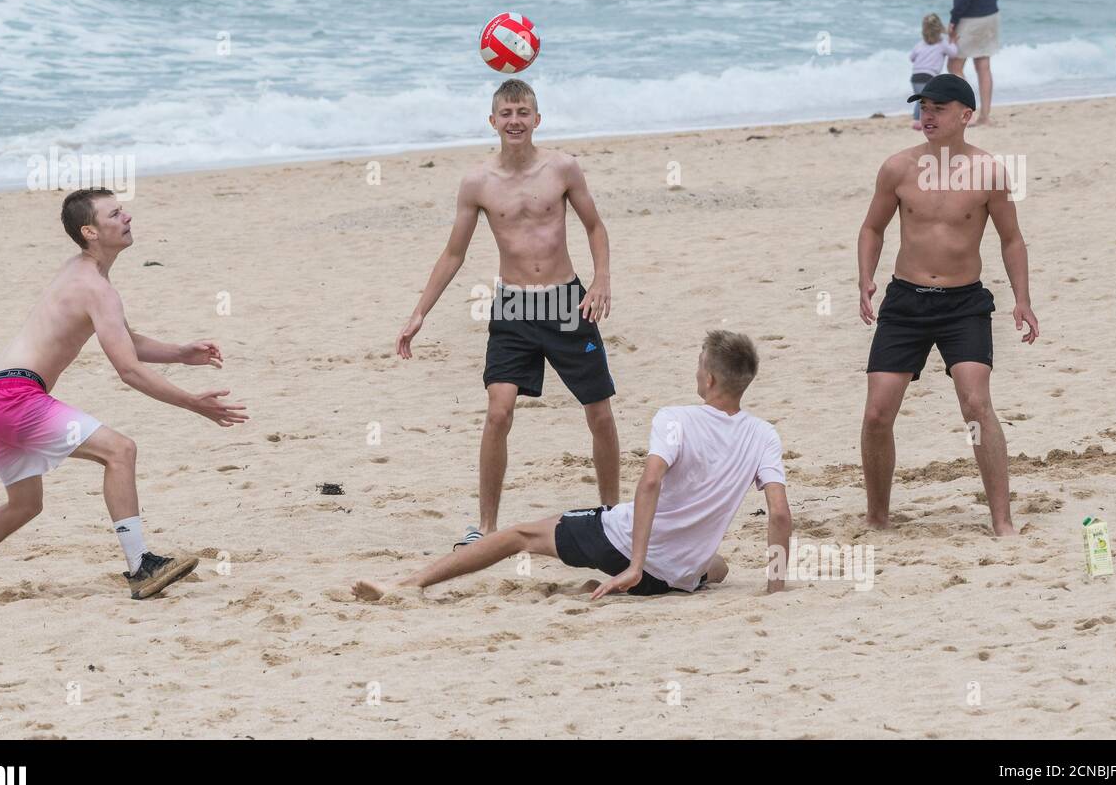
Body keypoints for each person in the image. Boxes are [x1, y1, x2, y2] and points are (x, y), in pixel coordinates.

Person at [0, 187, 249, 603]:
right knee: (120, 451)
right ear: (90, 231)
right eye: (115, 214)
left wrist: (181, 354)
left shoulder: (80, 273)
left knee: (24, 505)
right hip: (15, 397)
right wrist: (194, 403)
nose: (127, 217)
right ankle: (141, 566)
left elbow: (124, 340)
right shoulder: (96, 288)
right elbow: (128, 369)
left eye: (123, 210)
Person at [354, 331, 789, 601]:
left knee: (518, 535)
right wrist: (775, 588)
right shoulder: (764, 435)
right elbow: (781, 515)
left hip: (623, 545)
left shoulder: (674, 418)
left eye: (700, 367)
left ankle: (408, 584)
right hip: (677, 577)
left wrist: (635, 564)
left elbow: (651, 483)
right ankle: (631, 582)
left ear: (709, 379)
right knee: (719, 566)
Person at [396, 78, 619, 548]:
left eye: (523, 112)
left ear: (537, 119)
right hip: (514, 306)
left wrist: (600, 280)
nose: (514, 121)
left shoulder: (563, 169)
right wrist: (420, 312)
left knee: (598, 411)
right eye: (506, 113)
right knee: (498, 413)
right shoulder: (478, 182)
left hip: (565, 301)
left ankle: (613, 513)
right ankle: (487, 526)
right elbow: (453, 253)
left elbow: (595, 227)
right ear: (492, 121)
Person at [857, 74, 1038, 537]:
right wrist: (865, 278)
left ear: (965, 115)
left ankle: (1002, 520)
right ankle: (878, 518)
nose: (928, 115)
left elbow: (1011, 239)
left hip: (964, 304)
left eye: (939, 107)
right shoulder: (897, 168)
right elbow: (872, 228)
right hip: (905, 301)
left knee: (977, 404)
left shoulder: (990, 172)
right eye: (924, 107)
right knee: (878, 412)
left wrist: (1022, 300)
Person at [909, 13, 959, 130]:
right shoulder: (942, 44)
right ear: (939, 28)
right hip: (929, 76)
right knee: (926, 101)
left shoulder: (920, 44)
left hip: (915, 76)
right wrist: (954, 42)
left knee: (921, 100)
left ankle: (918, 120)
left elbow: (911, 58)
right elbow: (953, 53)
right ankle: (918, 121)